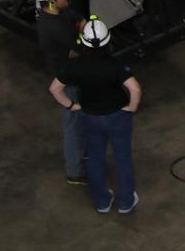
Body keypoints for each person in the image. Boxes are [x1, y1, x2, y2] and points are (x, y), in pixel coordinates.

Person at [48, 16, 141, 214]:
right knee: (122, 158)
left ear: (84, 41)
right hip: (118, 117)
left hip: (90, 116)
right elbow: (135, 89)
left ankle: (101, 202)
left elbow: (55, 89)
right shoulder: (115, 64)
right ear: (108, 40)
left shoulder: (74, 66)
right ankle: (126, 202)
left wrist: (71, 105)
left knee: (95, 158)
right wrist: (131, 108)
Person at [32, 0, 85, 184]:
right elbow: (80, 47)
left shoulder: (57, 13)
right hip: (68, 78)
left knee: (80, 118)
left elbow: (75, 16)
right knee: (72, 122)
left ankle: (82, 155)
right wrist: (80, 36)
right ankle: (74, 170)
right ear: (52, 1)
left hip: (72, 70)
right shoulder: (54, 27)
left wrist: (80, 23)